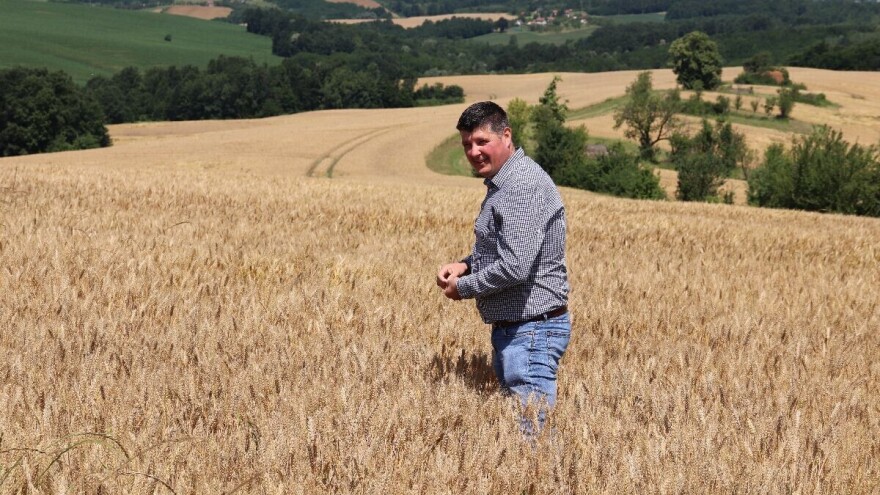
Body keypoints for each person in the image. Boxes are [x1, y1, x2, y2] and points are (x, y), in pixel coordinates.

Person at [436, 101, 571, 434]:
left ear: (506, 135)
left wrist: (463, 288)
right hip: (523, 330)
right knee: (525, 438)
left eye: (482, 141)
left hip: (531, 331)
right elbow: (506, 250)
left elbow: (515, 266)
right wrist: (466, 266)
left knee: (533, 443)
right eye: (467, 144)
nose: (473, 151)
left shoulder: (520, 187)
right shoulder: (507, 182)